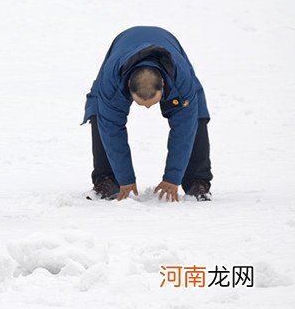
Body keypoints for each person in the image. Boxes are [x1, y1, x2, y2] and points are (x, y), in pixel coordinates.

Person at [83, 26, 213, 202]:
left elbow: (184, 129)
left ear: (164, 85)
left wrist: (172, 178)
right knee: (100, 113)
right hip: (123, 45)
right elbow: (111, 130)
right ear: (128, 86)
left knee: (195, 115)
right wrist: (125, 178)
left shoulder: (181, 80)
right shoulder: (111, 82)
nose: (147, 108)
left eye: (153, 103)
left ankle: (197, 181)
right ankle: (106, 179)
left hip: (168, 43)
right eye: (140, 103)